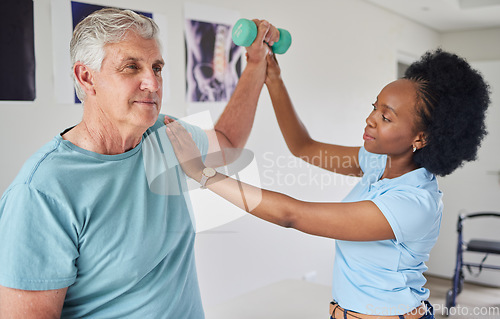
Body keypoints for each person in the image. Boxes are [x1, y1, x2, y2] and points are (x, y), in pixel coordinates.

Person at [165, 48, 490, 319]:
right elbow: (303, 147)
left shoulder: (413, 204)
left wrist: (202, 173)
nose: (371, 119)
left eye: (387, 117)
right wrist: (273, 79)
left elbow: (291, 215)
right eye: (374, 107)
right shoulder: (378, 162)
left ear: (421, 137)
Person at [0, 8, 279, 318]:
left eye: (156, 67)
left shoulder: (167, 135)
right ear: (86, 77)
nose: (153, 83)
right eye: (131, 67)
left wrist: (255, 63)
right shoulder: (40, 191)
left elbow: (227, 141)